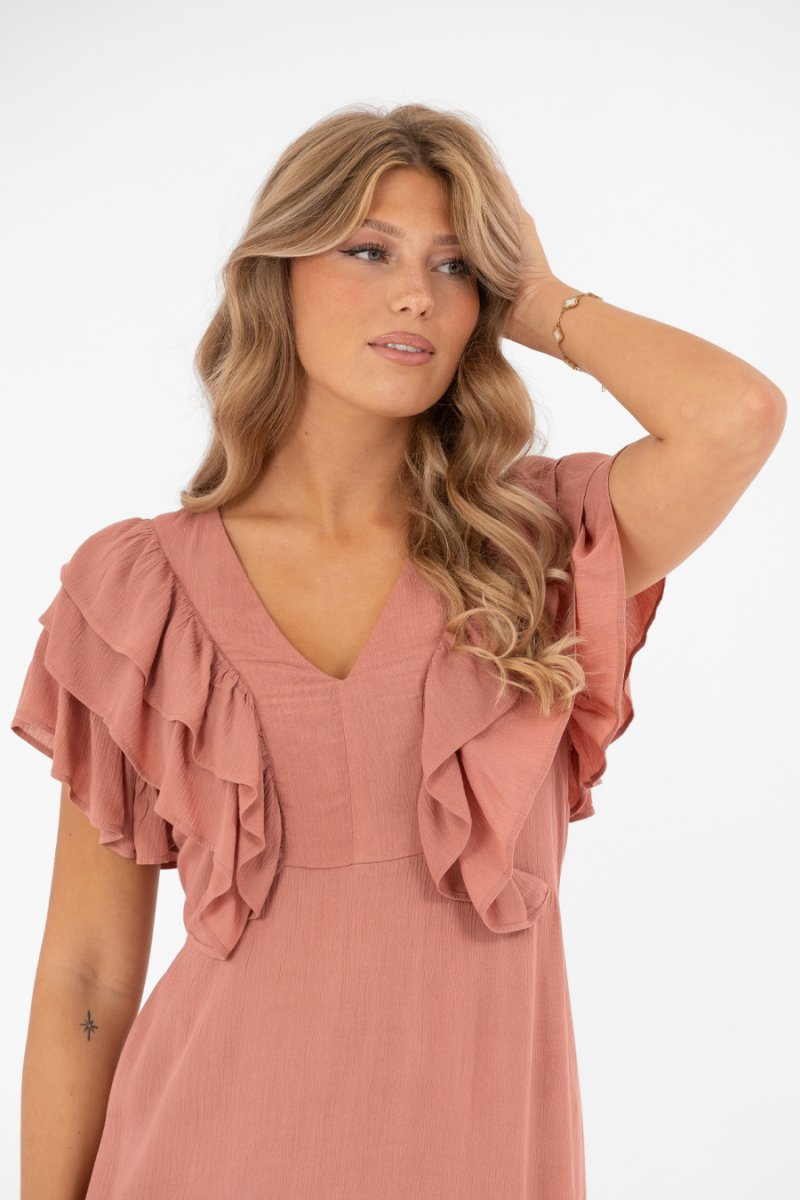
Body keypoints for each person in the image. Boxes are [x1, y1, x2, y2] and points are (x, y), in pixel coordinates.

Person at [12, 102, 785, 1200]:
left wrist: (539, 296)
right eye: (368, 251)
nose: (417, 293)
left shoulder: (536, 550)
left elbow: (735, 416)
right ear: (277, 274)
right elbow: (86, 976)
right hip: (194, 1155)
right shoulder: (140, 592)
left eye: (454, 265)